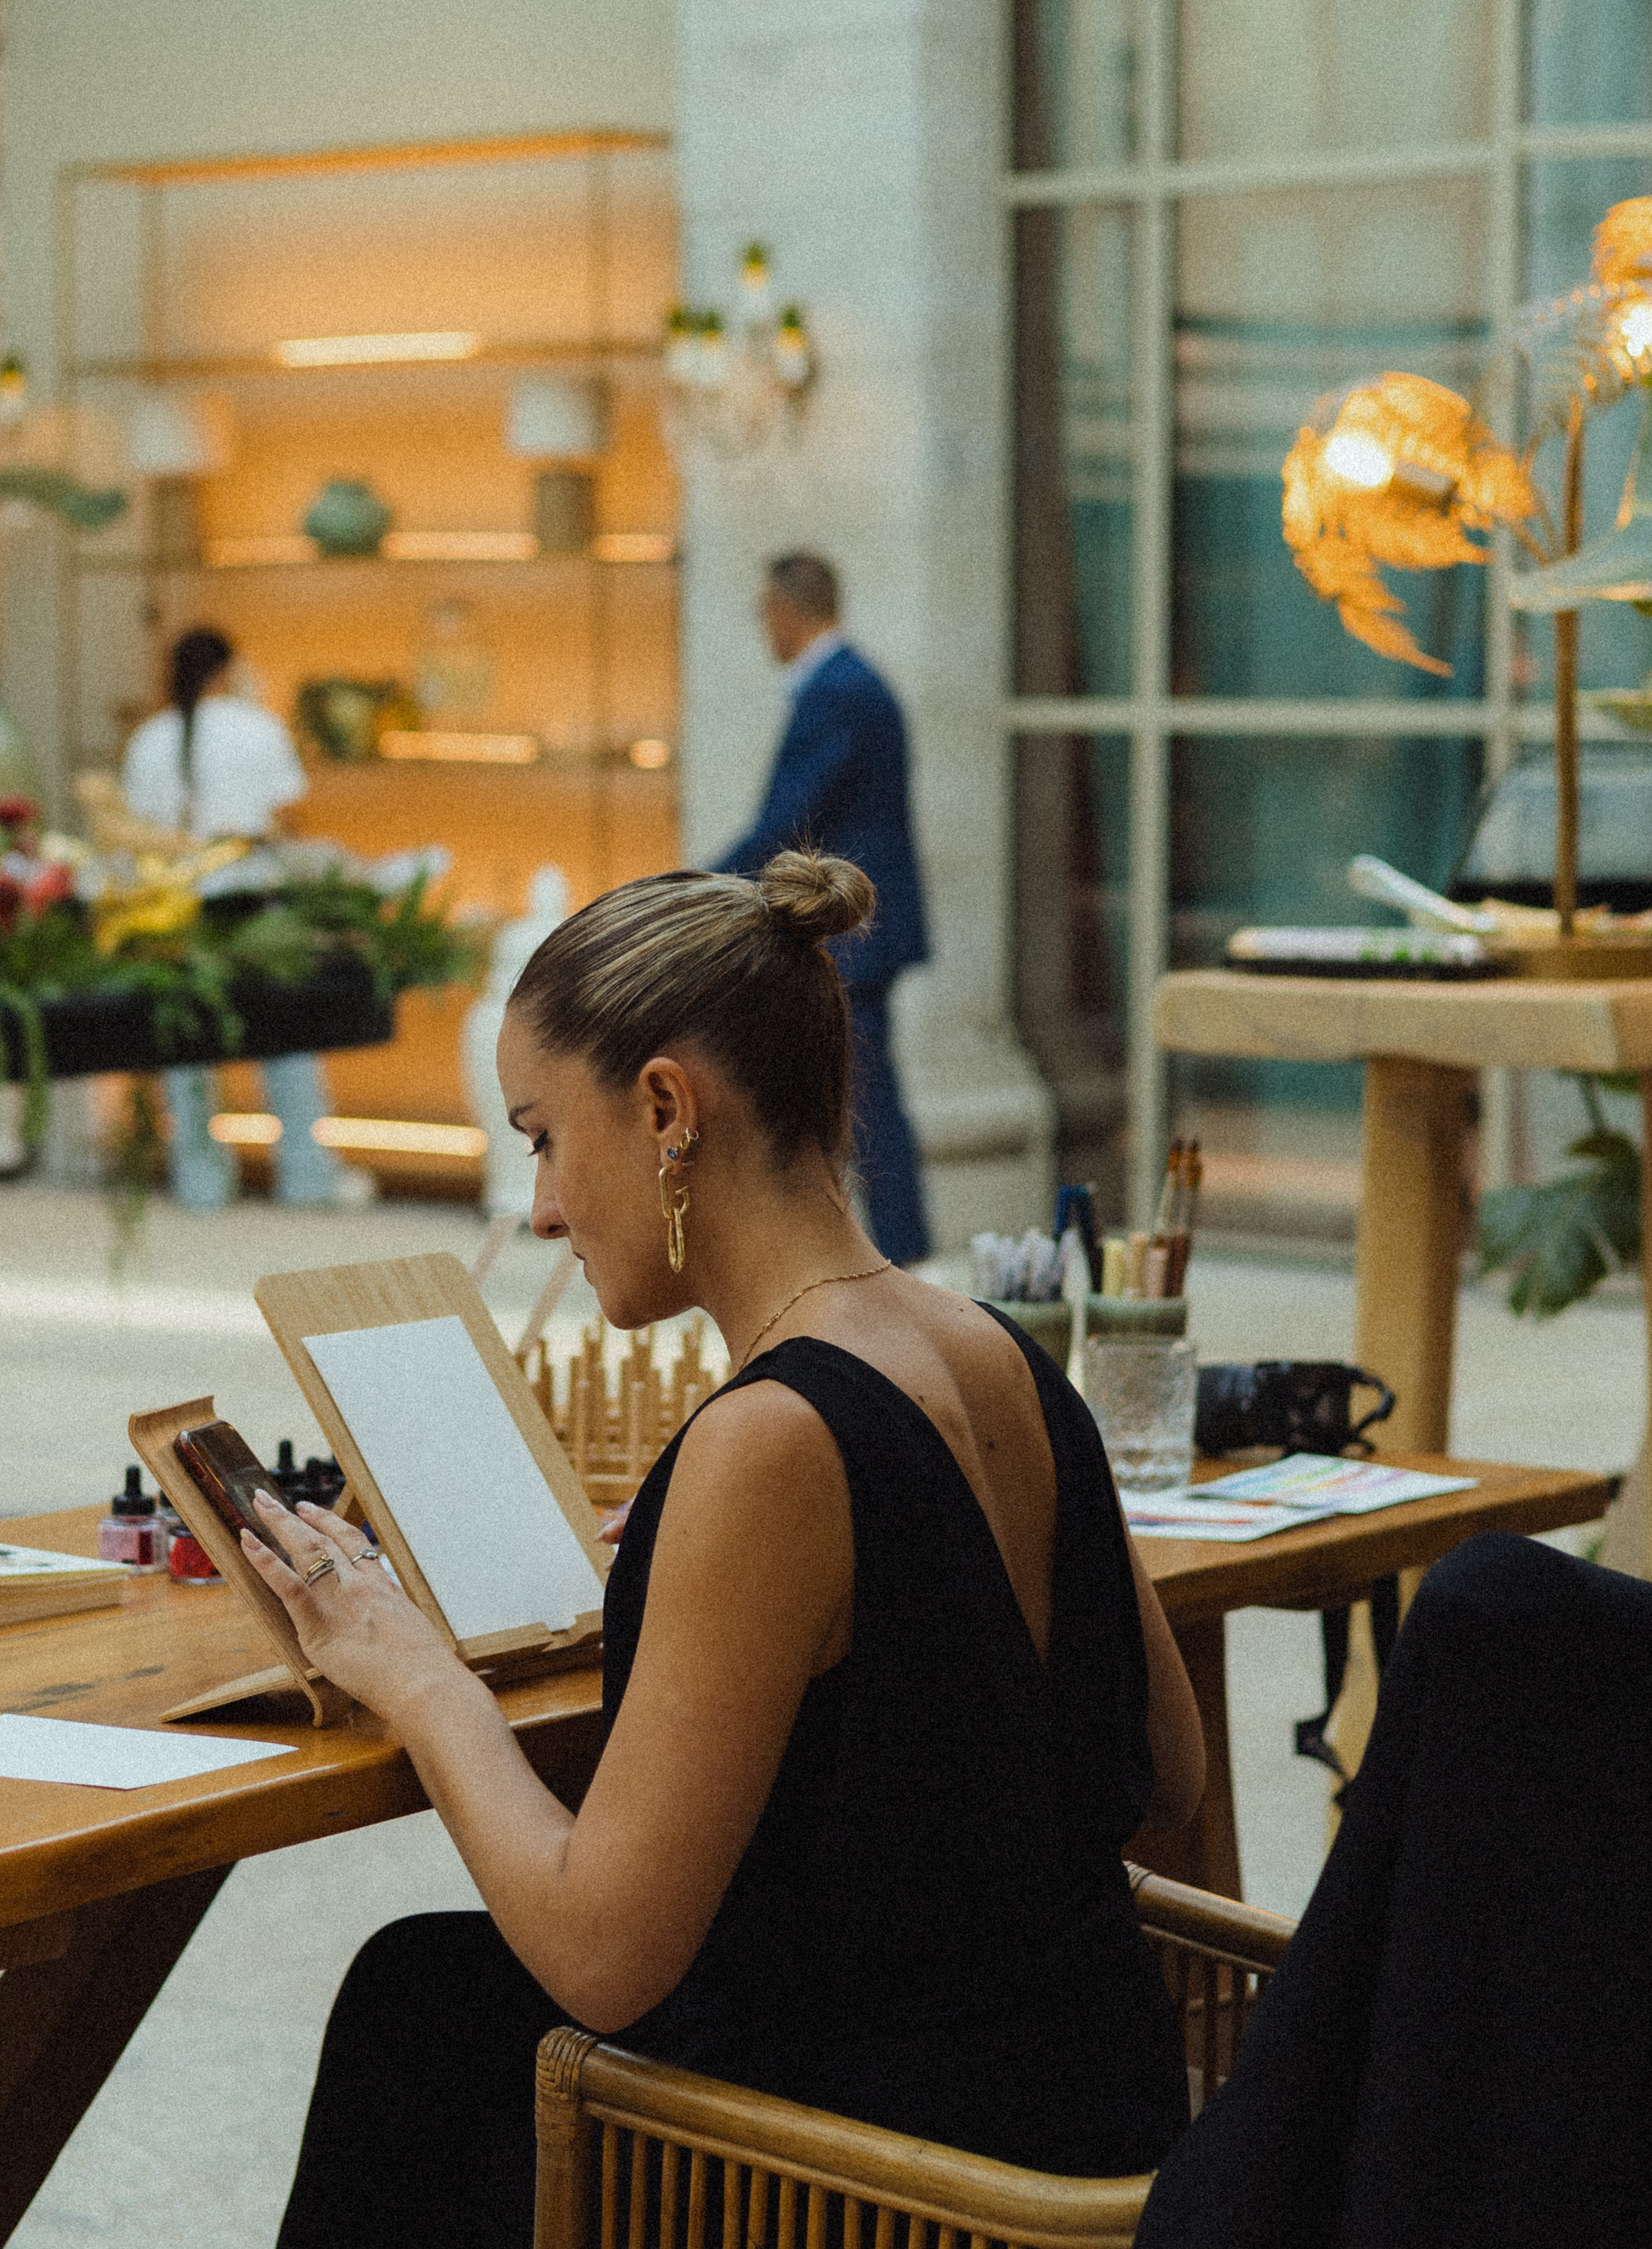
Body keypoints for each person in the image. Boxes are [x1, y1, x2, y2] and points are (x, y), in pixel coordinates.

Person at [254, 853, 1202, 2248]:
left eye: (541, 1135)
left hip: (877, 2182)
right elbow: (1162, 1771)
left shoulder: (769, 1439)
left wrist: (418, 1675)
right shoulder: (1001, 1350)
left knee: (426, 2021)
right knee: (437, 1993)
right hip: (1100, 2117)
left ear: (662, 1106)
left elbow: (605, 1955)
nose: (545, 1209)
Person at [711, 552, 932, 1264]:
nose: (762, 630)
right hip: (859, 932)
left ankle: (901, 1255)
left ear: (785, 609)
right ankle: (876, 1250)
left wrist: (704, 882)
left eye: (762, 614)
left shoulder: (837, 691)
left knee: (865, 1102)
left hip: (852, 932)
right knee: (854, 1098)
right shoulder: (852, 684)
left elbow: (790, 819)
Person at [119, 624, 351, 1208]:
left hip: (176, 910)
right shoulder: (258, 726)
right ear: (229, 668)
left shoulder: (149, 739)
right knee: (289, 1038)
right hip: (255, 904)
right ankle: (305, 1174)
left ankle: (199, 1180)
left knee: (190, 1047)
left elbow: (136, 835)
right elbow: (282, 815)